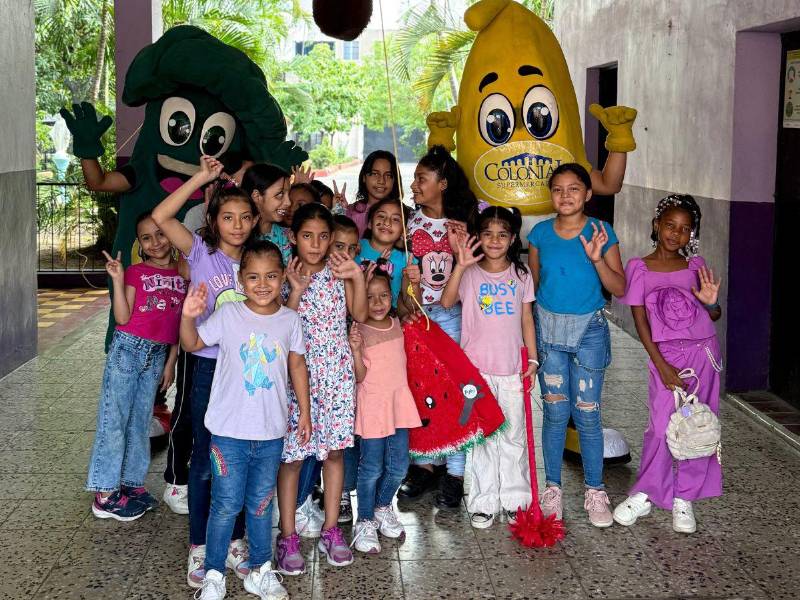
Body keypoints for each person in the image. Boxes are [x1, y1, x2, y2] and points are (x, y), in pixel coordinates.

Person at [181, 241, 310, 600]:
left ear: (283, 277)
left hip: (270, 433)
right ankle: (213, 575)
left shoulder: (290, 319)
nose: (263, 284)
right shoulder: (229, 315)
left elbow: (296, 365)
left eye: (271, 275)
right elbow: (191, 344)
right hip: (228, 433)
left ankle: (261, 570)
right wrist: (188, 314)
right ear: (240, 280)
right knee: (225, 505)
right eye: (253, 276)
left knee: (261, 504)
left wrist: (306, 412)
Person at [152, 155, 258, 587]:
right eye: (227, 217)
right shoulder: (201, 252)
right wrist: (202, 177)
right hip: (205, 368)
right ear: (213, 219)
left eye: (244, 217)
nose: (236, 225)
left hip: (246, 371)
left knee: (236, 458)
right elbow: (161, 215)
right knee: (202, 458)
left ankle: (233, 541)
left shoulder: (259, 261)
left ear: (254, 221)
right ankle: (199, 545)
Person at [613, 194, 722, 534]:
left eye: (685, 229)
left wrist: (711, 304)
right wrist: (660, 364)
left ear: (693, 235)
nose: (676, 234)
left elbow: (713, 313)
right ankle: (646, 492)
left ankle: (684, 498)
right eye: (671, 225)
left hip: (703, 354)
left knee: (698, 426)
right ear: (656, 225)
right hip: (666, 357)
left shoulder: (695, 265)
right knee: (661, 424)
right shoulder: (639, 268)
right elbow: (641, 322)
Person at [527, 163, 626, 528]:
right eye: (557, 189)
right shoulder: (539, 234)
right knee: (554, 413)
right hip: (549, 331)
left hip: (589, 332)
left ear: (587, 194)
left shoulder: (602, 231)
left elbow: (619, 288)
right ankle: (553, 487)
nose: (565, 195)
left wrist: (597, 259)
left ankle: (595, 489)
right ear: (550, 194)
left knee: (587, 413)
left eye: (573, 189)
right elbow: (535, 288)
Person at [275, 203, 367, 574]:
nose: (315, 244)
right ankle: (288, 536)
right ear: (293, 237)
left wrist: (357, 277)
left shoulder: (339, 271)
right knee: (293, 457)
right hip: (298, 377)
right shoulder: (284, 274)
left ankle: (331, 529)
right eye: (307, 236)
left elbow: (359, 315)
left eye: (323, 236)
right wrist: (295, 289)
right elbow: (280, 323)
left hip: (337, 377)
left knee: (333, 454)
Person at [440, 206, 537, 528]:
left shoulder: (522, 276)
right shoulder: (469, 274)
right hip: (476, 373)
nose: (495, 240)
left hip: (511, 369)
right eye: (488, 234)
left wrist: (533, 359)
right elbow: (445, 302)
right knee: (482, 438)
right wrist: (460, 265)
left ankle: (515, 499)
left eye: (502, 235)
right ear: (478, 238)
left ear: (512, 239)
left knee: (513, 436)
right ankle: (483, 501)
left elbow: (526, 319)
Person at [87, 212, 185, 521]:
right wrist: (117, 280)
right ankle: (104, 493)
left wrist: (171, 363)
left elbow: (178, 325)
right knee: (114, 418)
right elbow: (123, 317)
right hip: (128, 349)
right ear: (139, 244)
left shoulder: (183, 273)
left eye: (160, 234)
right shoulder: (135, 272)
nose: (155, 242)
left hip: (157, 356)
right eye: (146, 237)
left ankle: (131, 484)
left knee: (141, 420)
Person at [399, 144, 477, 508]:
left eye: (421, 179)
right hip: (417, 318)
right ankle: (425, 465)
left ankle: (456, 473)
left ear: (442, 184)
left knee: (457, 395)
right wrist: (409, 283)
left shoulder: (462, 224)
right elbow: (405, 282)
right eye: (414, 179)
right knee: (421, 392)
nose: (413, 185)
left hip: (451, 317)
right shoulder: (408, 223)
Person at [349, 271, 421, 553]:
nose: (377, 303)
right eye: (369, 297)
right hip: (373, 407)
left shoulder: (397, 323)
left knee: (400, 466)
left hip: (398, 403)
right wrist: (355, 350)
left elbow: (413, 302)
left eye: (383, 295)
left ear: (391, 296)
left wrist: (410, 279)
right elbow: (359, 375)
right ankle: (364, 520)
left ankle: (382, 507)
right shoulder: (359, 329)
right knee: (370, 468)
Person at [356, 198, 416, 307]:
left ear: (403, 231)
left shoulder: (406, 260)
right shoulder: (354, 248)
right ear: (370, 223)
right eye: (381, 216)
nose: (387, 222)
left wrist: (414, 282)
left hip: (390, 319)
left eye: (396, 219)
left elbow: (412, 305)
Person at [346, 150, 401, 236]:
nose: (381, 181)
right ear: (364, 177)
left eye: (388, 175)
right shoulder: (350, 212)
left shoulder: (403, 213)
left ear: (395, 180)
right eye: (375, 174)